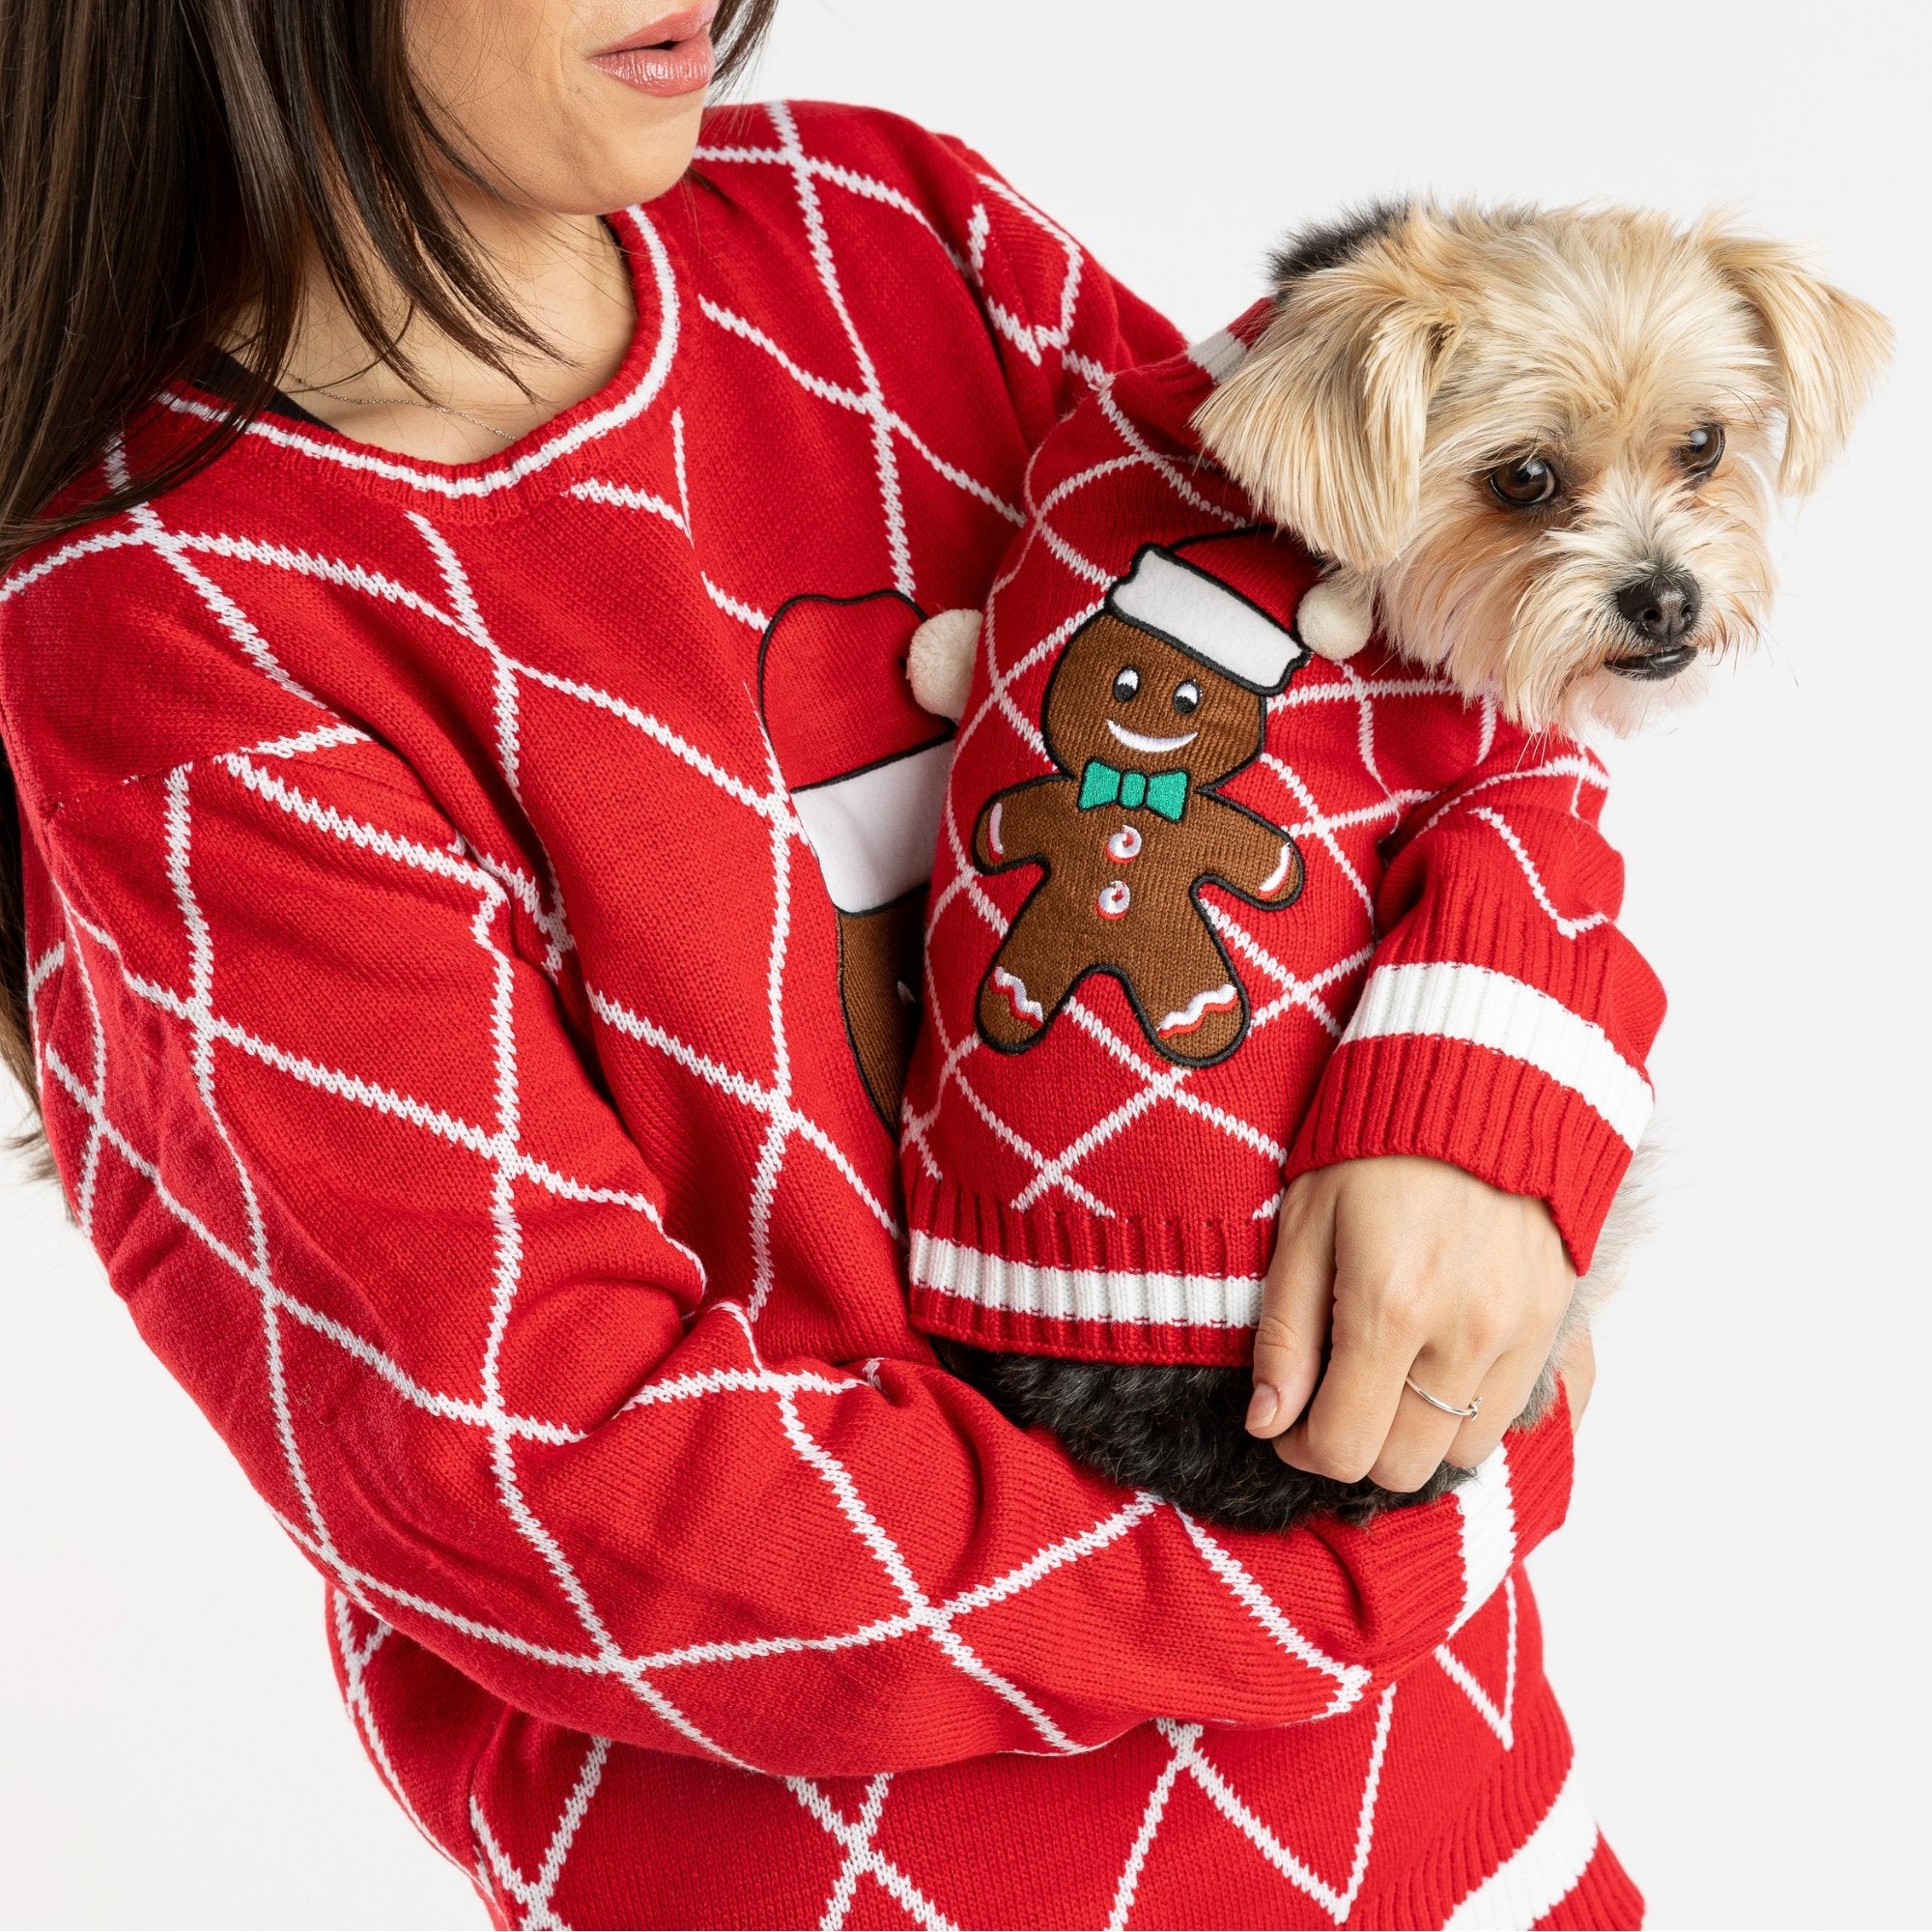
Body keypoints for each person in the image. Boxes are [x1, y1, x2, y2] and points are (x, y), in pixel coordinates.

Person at [0, 1, 1635, 1924]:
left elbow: (1444, 653)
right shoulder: (184, 625)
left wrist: (1482, 1099)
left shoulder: (886, 236)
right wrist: (1371, 1557)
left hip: (1456, 1822)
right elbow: (562, 1481)